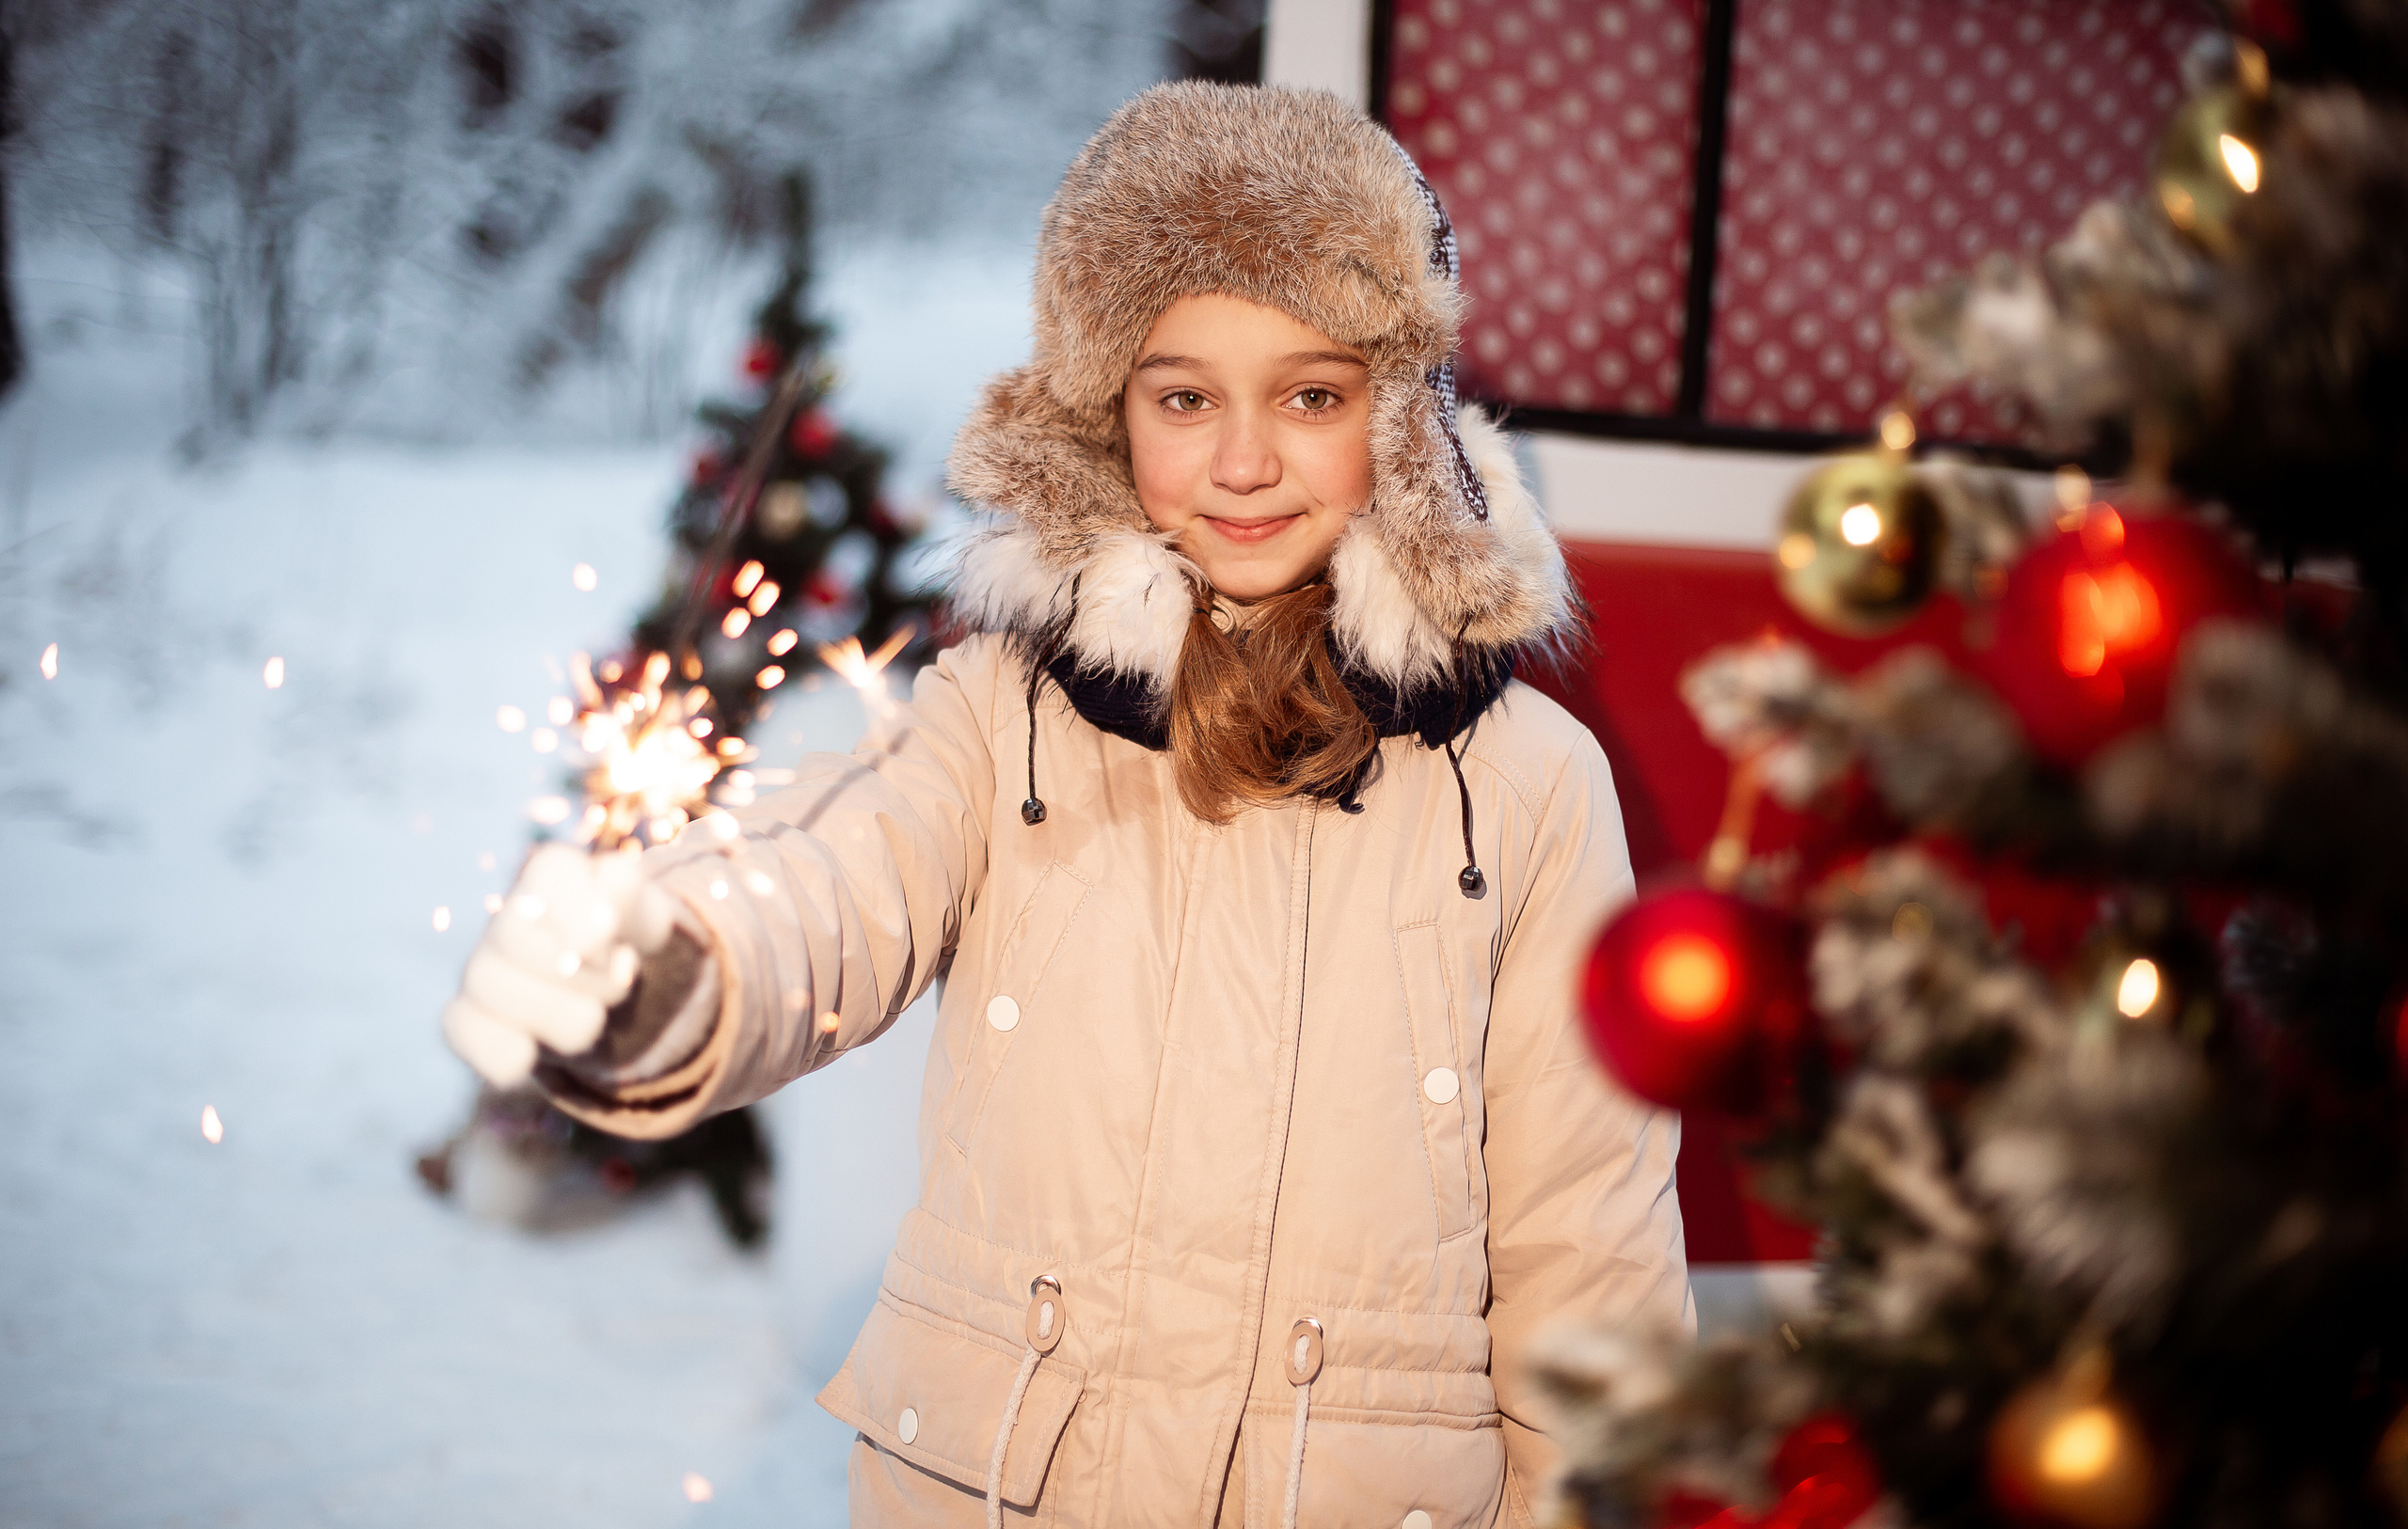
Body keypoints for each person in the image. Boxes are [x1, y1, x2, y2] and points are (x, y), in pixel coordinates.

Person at [442, 82, 1690, 1528]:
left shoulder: (1524, 783)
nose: (1240, 461)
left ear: (1405, 417)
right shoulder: (1003, 718)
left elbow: (1585, 1242)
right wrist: (666, 971)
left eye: (1312, 395)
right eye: (1182, 397)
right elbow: (822, 890)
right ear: (1106, 418)